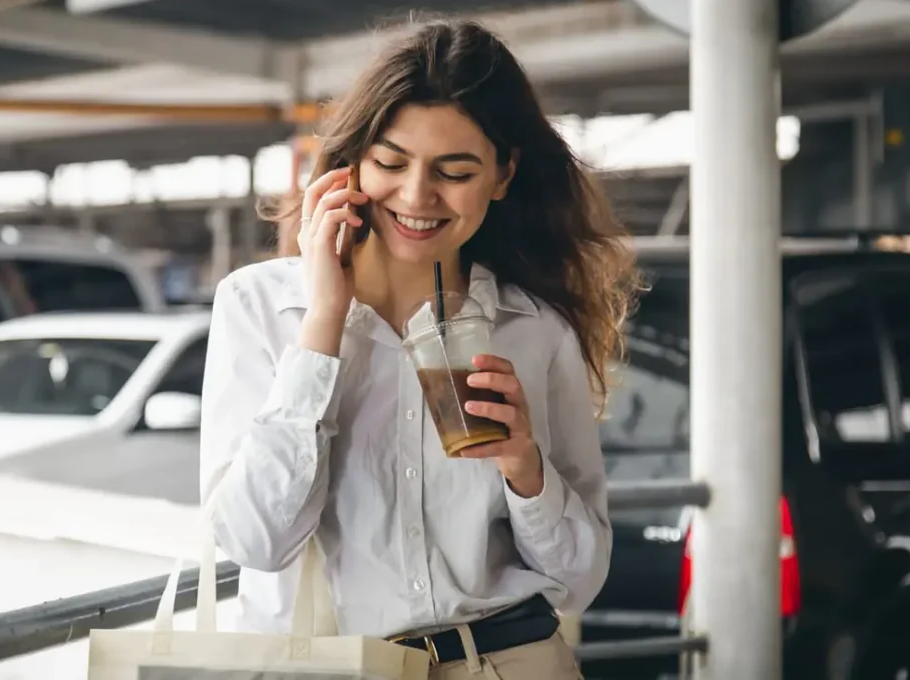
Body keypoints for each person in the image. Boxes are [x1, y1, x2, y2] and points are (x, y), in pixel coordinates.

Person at [199, 18, 640, 680]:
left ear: (502, 174)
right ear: (351, 166)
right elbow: (256, 541)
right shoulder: (260, 306)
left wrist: (525, 467)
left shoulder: (533, 329)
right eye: (391, 162)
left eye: (455, 171)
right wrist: (323, 323)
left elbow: (578, 581)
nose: (415, 195)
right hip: (332, 668)